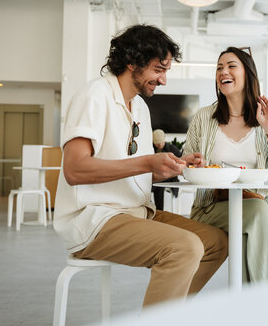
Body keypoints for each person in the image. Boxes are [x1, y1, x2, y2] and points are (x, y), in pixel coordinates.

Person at [54, 24, 228, 307]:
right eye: (159, 69)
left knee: (216, 242)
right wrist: (147, 161)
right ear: (132, 62)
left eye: (166, 71)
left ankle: (167, 314)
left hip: (137, 213)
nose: (163, 80)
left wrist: (178, 164)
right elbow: (75, 170)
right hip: (95, 220)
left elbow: (143, 169)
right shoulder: (94, 96)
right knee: (184, 247)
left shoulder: (140, 108)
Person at [183, 46, 268, 283]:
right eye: (219, 68)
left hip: (252, 205)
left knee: (251, 231)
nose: (224, 71)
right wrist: (190, 163)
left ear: (248, 73)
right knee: (260, 214)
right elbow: (184, 166)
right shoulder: (204, 117)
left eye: (231, 66)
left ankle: (254, 311)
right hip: (211, 208)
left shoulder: (265, 117)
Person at [151, 129, 181, 210]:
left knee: (159, 186)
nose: (160, 145)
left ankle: (159, 211)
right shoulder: (150, 149)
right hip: (155, 177)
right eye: (157, 143)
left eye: (161, 142)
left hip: (169, 177)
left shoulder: (173, 149)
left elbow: (180, 163)